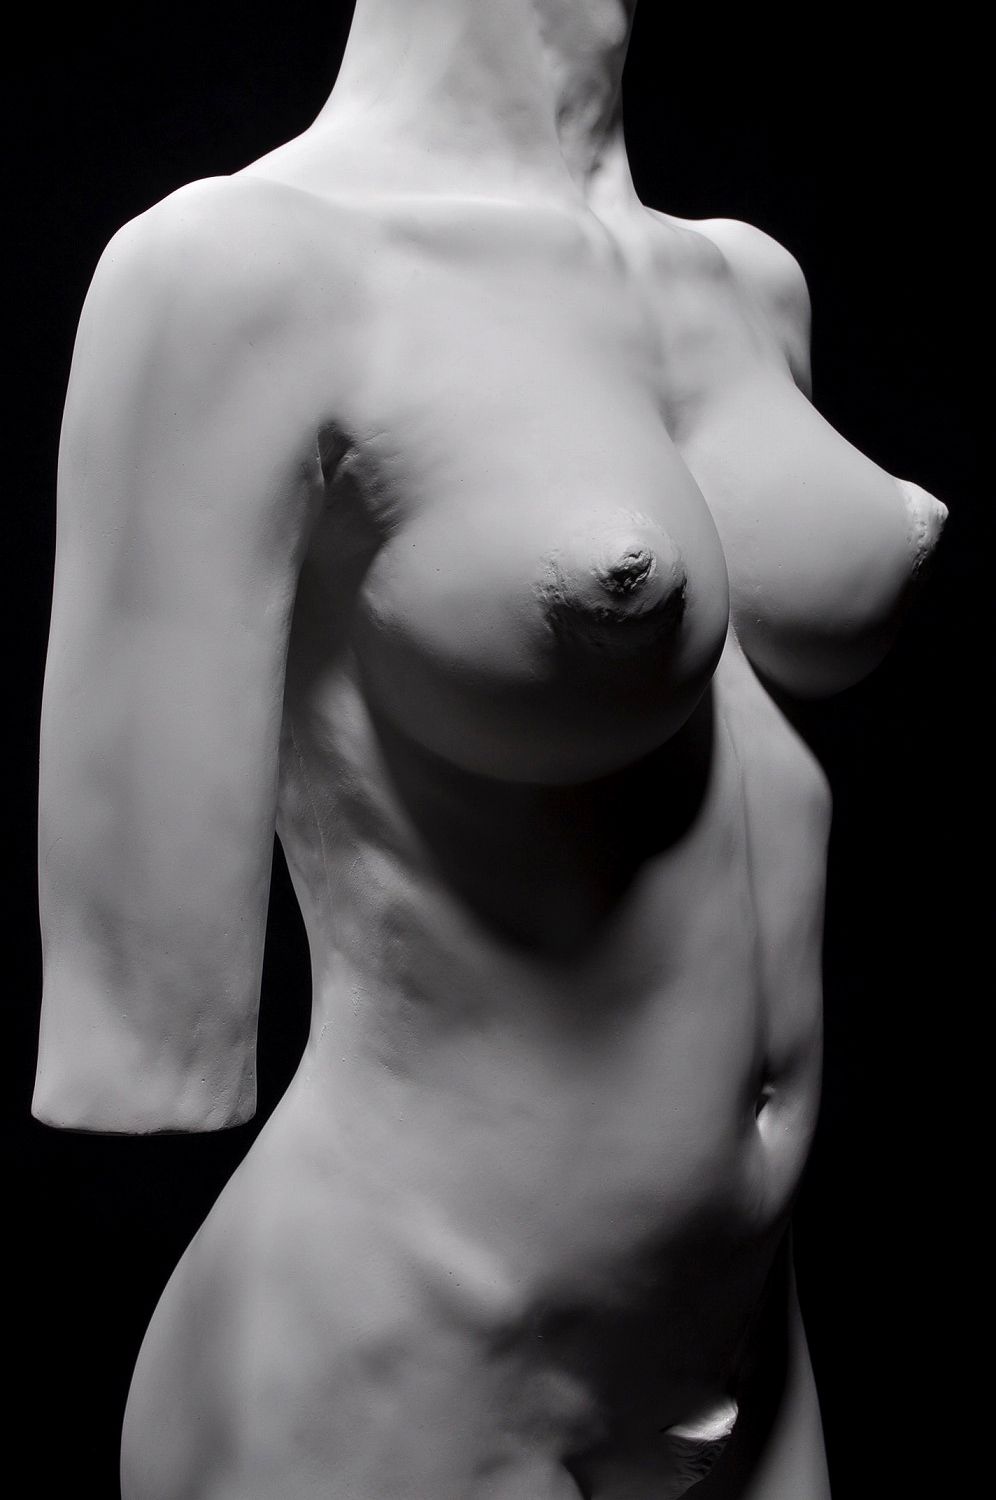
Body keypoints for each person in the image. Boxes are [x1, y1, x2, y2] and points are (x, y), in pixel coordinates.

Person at [32, 2, 946, 1496]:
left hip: (746, 1332)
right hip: (414, 1338)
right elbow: (144, 1006)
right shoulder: (240, 274)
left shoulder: (747, 285)